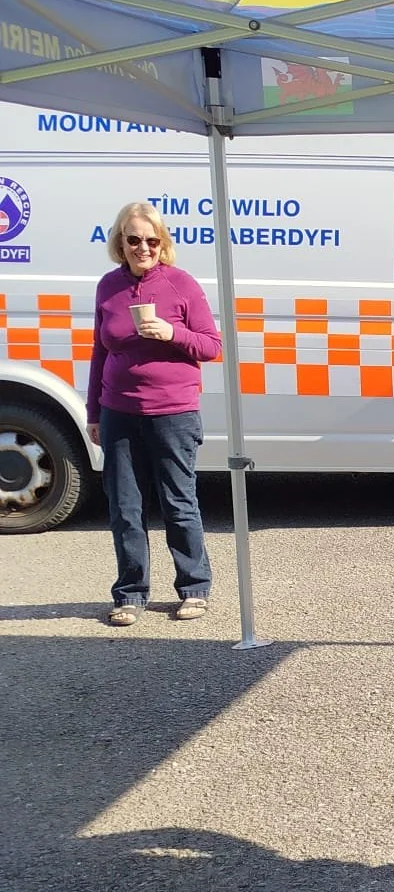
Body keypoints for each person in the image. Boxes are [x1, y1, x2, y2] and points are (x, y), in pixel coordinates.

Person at [85, 202, 222, 627]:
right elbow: (99, 352)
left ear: (162, 243)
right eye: (134, 239)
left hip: (173, 412)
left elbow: (212, 345)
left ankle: (194, 587)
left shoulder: (181, 284)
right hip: (119, 411)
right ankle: (130, 594)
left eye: (151, 240)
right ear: (120, 242)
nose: (143, 248)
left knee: (178, 503)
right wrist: (94, 412)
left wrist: (172, 332)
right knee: (124, 507)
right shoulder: (108, 286)